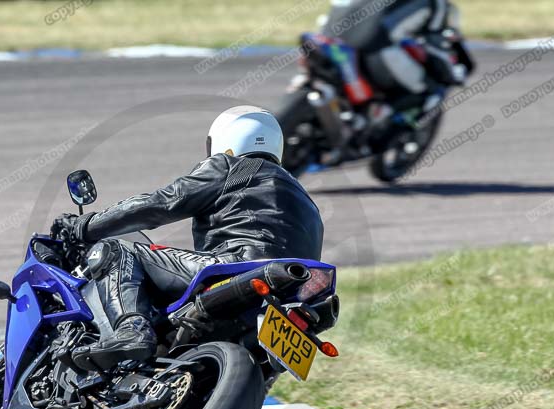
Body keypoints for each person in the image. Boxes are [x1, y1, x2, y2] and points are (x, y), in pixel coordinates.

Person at [50, 106, 324, 369]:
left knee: (118, 251)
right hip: (289, 291)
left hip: (237, 265)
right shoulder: (306, 201)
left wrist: (84, 226)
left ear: (226, 140)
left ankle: (131, 330)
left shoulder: (235, 167)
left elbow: (163, 203)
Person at [321, 0, 464, 106]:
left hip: (330, 43)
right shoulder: (434, 4)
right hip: (375, 54)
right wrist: (452, 73)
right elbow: (435, 44)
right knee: (425, 89)